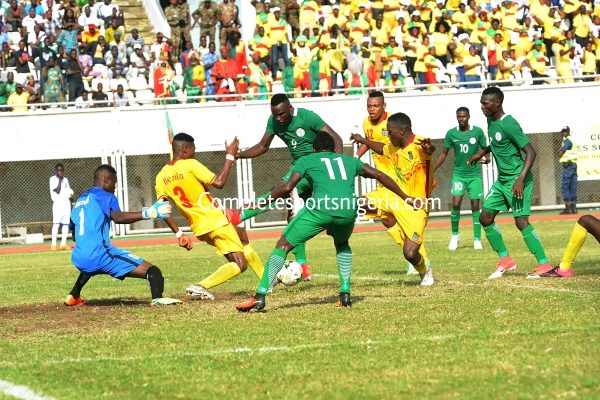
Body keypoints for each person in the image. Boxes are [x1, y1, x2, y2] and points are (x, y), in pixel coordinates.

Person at [236, 132, 416, 311]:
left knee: (283, 245)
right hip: (347, 209)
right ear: (333, 149)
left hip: (320, 209)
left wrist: (260, 203)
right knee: (342, 243)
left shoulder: (307, 160)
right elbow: (379, 175)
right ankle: (345, 294)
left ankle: (260, 296)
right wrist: (405, 196)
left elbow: (288, 186)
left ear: (314, 149)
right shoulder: (349, 161)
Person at [227, 93, 344, 281]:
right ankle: (303, 266)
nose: (279, 118)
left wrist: (337, 164)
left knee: (283, 189)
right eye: (275, 114)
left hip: (315, 167)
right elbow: (263, 146)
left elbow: (336, 138)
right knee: (293, 217)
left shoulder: (307, 116)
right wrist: (239, 155)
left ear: (290, 108)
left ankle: (241, 215)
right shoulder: (273, 121)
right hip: (299, 168)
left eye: (281, 114)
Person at [155, 133, 265, 300]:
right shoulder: (190, 164)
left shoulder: (161, 175)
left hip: (199, 227)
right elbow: (219, 183)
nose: (195, 152)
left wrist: (178, 233)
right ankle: (201, 286)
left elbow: (162, 209)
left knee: (241, 235)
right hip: (215, 221)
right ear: (185, 150)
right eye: (193, 149)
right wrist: (229, 156)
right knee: (240, 264)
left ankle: (266, 281)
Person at [467, 87, 552, 279]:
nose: (482, 107)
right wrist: (482, 152)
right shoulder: (490, 120)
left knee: (521, 222)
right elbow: (498, 143)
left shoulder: (509, 123)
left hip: (517, 179)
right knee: (485, 217)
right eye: (481, 103)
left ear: (497, 103)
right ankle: (505, 260)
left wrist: (520, 179)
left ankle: (544, 264)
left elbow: (531, 152)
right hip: (502, 180)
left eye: (485, 103)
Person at [66, 165, 181, 306]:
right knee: (154, 271)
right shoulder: (106, 196)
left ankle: (74, 295)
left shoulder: (80, 200)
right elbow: (118, 217)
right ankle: (158, 298)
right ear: (106, 180)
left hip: (78, 258)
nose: (114, 188)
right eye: (114, 183)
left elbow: (74, 235)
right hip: (100, 257)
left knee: (91, 258)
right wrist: (149, 213)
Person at [351, 112, 436, 287]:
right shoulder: (393, 147)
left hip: (416, 205)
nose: (388, 135)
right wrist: (363, 140)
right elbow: (381, 148)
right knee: (358, 204)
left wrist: (429, 148)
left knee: (410, 254)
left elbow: (428, 150)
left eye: (390, 132)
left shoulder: (418, 143)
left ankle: (424, 270)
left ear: (402, 131)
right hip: (393, 196)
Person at [355, 91, 419, 274]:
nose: (372, 109)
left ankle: (417, 257)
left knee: (403, 219)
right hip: (380, 177)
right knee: (386, 218)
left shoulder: (393, 123)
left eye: (376, 106)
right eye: (369, 106)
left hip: (397, 179)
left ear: (384, 106)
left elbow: (408, 144)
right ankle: (410, 254)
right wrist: (356, 156)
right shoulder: (366, 122)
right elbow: (369, 141)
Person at [434, 107, 487, 250]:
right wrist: (433, 168)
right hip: (459, 175)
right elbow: (444, 153)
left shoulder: (477, 132)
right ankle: (455, 236)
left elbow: (485, 149)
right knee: (456, 204)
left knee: (475, 206)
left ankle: (477, 239)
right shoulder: (451, 133)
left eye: (463, 116)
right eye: (459, 116)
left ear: (469, 117)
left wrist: (487, 158)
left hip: (474, 176)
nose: (461, 119)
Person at [49, 163, 72, 250]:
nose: (60, 172)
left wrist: (71, 197)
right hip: (58, 205)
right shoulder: (52, 179)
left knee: (66, 224)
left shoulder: (66, 180)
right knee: (56, 224)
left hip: (66, 204)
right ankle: (53, 244)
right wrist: (60, 180)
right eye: (58, 170)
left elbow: (68, 191)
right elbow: (57, 191)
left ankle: (63, 244)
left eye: (61, 170)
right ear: (55, 171)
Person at [558, 126, 578, 215]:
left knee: (565, 186)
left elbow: (561, 152)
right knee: (573, 186)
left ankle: (568, 208)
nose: (563, 133)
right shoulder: (572, 140)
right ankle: (574, 208)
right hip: (573, 165)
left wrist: (559, 152)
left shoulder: (567, 141)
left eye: (565, 131)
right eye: (563, 131)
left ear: (568, 132)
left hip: (568, 166)